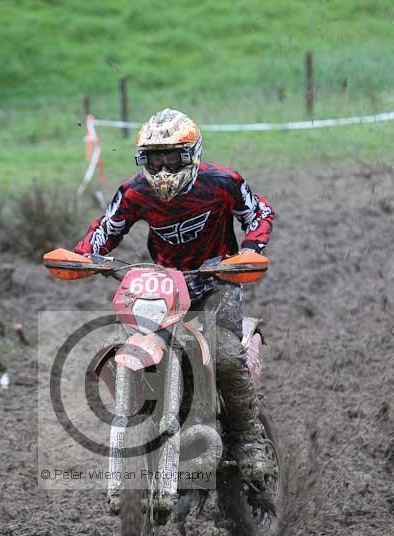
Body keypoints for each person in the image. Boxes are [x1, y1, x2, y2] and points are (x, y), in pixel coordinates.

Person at [75, 108, 274, 481]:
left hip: (216, 282)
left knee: (225, 355)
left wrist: (250, 251)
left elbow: (259, 214)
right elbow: (106, 227)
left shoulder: (222, 183)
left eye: (172, 157)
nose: (163, 168)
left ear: (191, 154)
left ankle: (249, 440)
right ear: (143, 160)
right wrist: (84, 255)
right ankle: (147, 426)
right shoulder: (135, 191)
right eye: (155, 159)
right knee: (122, 348)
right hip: (165, 288)